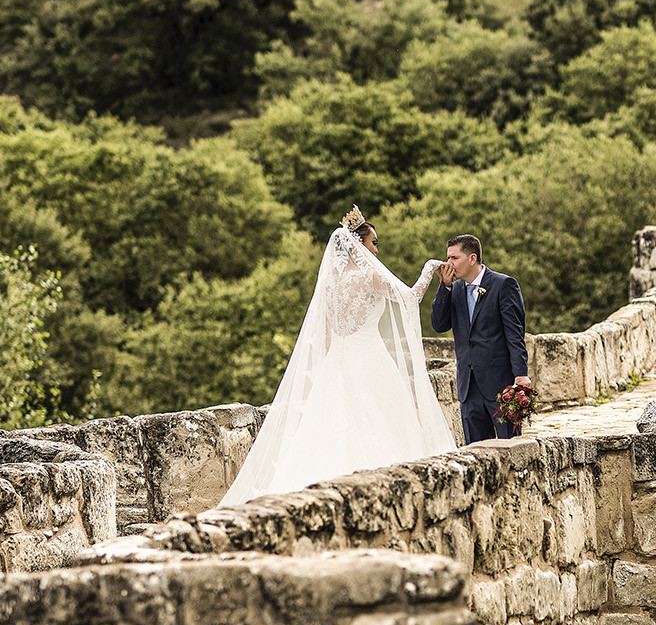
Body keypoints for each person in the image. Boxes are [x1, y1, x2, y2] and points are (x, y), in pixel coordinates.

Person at [219, 207, 452, 507]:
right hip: (370, 360)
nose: (376, 250)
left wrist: (331, 370)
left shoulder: (329, 283)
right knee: (380, 424)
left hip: (336, 363)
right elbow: (411, 297)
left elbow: (326, 336)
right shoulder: (370, 277)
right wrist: (429, 268)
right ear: (358, 244)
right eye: (373, 243)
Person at [430, 234, 531, 443]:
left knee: (509, 448)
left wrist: (521, 374)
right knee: (475, 453)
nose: (448, 264)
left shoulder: (504, 285)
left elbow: (515, 334)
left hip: (500, 386)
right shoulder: (455, 289)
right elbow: (439, 325)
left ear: (472, 258)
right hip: (468, 387)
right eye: (447, 258)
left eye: (454, 258)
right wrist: (445, 287)